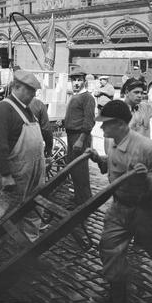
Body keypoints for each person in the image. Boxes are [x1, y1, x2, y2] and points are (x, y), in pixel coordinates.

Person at [89, 100, 152, 303]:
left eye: (106, 123)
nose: (102, 127)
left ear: (120, 124)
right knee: (110, 247)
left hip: (148, 210)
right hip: (120, 207)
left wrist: (147, 178)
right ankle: (118, 295)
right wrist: (99, 160)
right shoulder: (114, 142)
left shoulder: (145, 147)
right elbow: (116, 166)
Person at [0, 70, 46, 242]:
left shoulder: (26, 110)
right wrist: (6, 175)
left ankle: (29, 249)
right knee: (4, 214)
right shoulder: (4, 109)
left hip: (32, 173)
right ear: (17, 87)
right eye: (30, 91)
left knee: (34, 210)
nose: (33, 95)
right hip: (14, 174)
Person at [63, 67, 96, 205]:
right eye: (74, 80)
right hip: (72, 136)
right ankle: (78, 196)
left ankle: (84, 201)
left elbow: (89, 121)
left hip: (79, 137)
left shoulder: (87, 97)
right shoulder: (75, 96)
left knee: (80, 169)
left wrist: (81, 140)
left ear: (84, 81)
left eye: (79, 80)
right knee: (73, 168)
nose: (76, 83)